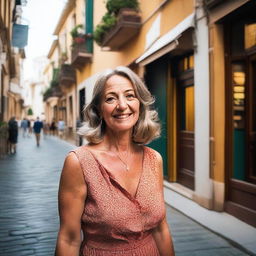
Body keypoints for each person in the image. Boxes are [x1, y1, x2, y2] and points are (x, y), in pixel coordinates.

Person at [55, 66, 175, 256]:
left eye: (130, 96)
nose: (122, 105)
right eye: (111, 98)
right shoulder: (79, 163)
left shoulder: (154, 159)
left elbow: (160, 228)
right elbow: (68, 239)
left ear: (140, 104)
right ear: (98, 109)